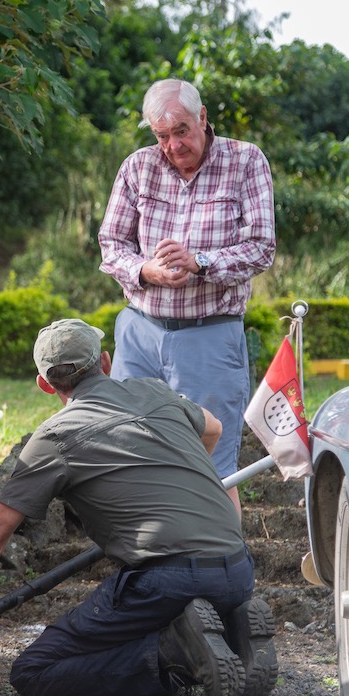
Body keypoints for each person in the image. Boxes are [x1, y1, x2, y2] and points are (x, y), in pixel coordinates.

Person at [0, 318, 277, 696]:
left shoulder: (55, 437)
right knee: (162, 609)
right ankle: (227, 630)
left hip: (167, 581)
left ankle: (175, 654)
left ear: (44, 384)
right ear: (105, 362)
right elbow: (213, 428)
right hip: (238, 570)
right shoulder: (156, 392)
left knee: (34, 671)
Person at [98, 79, 275, 513]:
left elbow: (261, 248)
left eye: (181, 131)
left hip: (209, 336)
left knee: (212, 465)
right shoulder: (137, 167)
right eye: (162, 136)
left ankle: (222, 570)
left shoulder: (245, 160)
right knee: (130, 454)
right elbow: (111, 245)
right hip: (140, 333)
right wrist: (146, 270)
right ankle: (145, 562)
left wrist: (199, 263)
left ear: (203, 118)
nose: (173, 145)